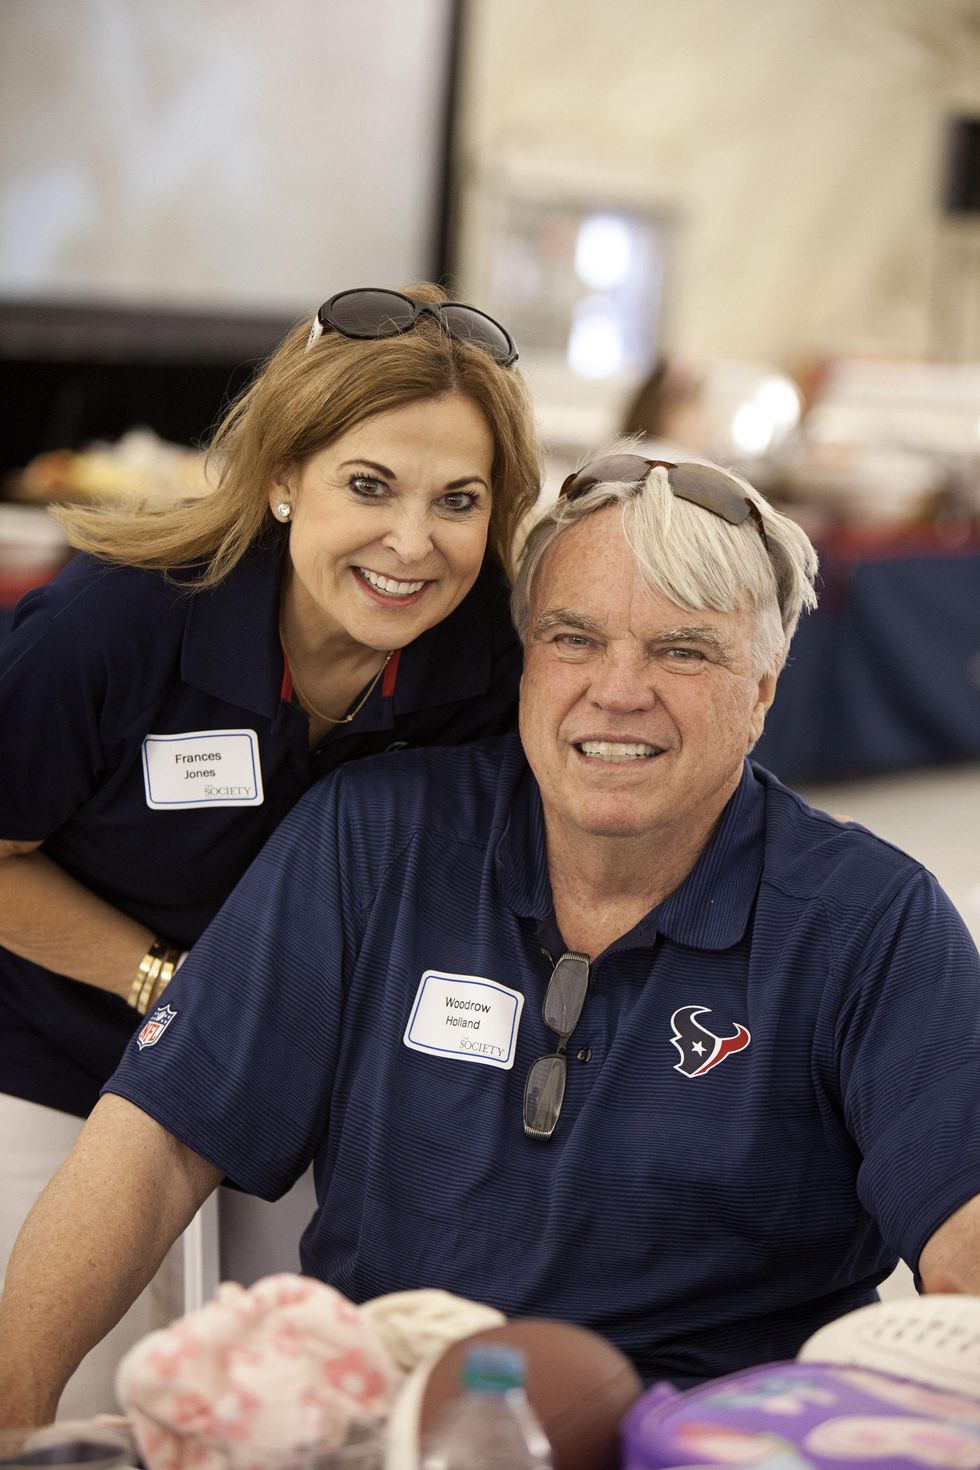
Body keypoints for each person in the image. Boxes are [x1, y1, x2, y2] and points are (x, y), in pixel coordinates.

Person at [3, 450, 980, 1426]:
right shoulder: (376, 839)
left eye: (681, 650)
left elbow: (963, 1234)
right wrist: (14, 1406)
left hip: (696, 1441)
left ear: (762, 688)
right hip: (380, 1426)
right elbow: (157, 1143)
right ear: (524, 663)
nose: (618, 689)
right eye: (574, 639)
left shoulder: (866, 922)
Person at [0, 284, 540, 1414]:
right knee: (86, 1398)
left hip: (300, 1080)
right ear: (284, 477)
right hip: (54, 1055)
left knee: (312, 1402)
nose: (411, 541)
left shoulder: (483, 661)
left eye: (458, 499)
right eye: (368, 485)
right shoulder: (115, 627)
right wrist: (164, 985)